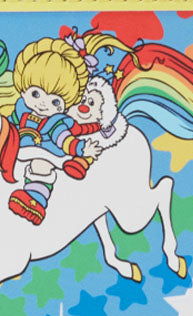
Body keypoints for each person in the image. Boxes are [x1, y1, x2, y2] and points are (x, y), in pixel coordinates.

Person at [7, 30, 114, 225]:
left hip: (47, 151)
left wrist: (81, 149)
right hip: (20, 146)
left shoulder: (55, 123)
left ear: (65, 107)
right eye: (36, 94)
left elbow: (65, 140)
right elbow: (9, 122)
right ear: (23, 89)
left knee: (40, 165)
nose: (43, 104)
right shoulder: (21, 110)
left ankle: (36, 201)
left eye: (55, 101)